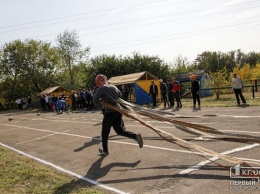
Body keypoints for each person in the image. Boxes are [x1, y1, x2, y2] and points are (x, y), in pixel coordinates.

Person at [93, 74, 143, 156]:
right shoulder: (114, 86)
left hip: (109, 112)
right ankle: (135, 136)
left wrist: (102, 100)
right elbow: (120, 96)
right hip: (118, 111)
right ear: (106, 79)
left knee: (104, 133)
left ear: (99, 82)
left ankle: (105, 151)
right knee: (120, 131)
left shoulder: (101, 89)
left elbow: (95, 100)